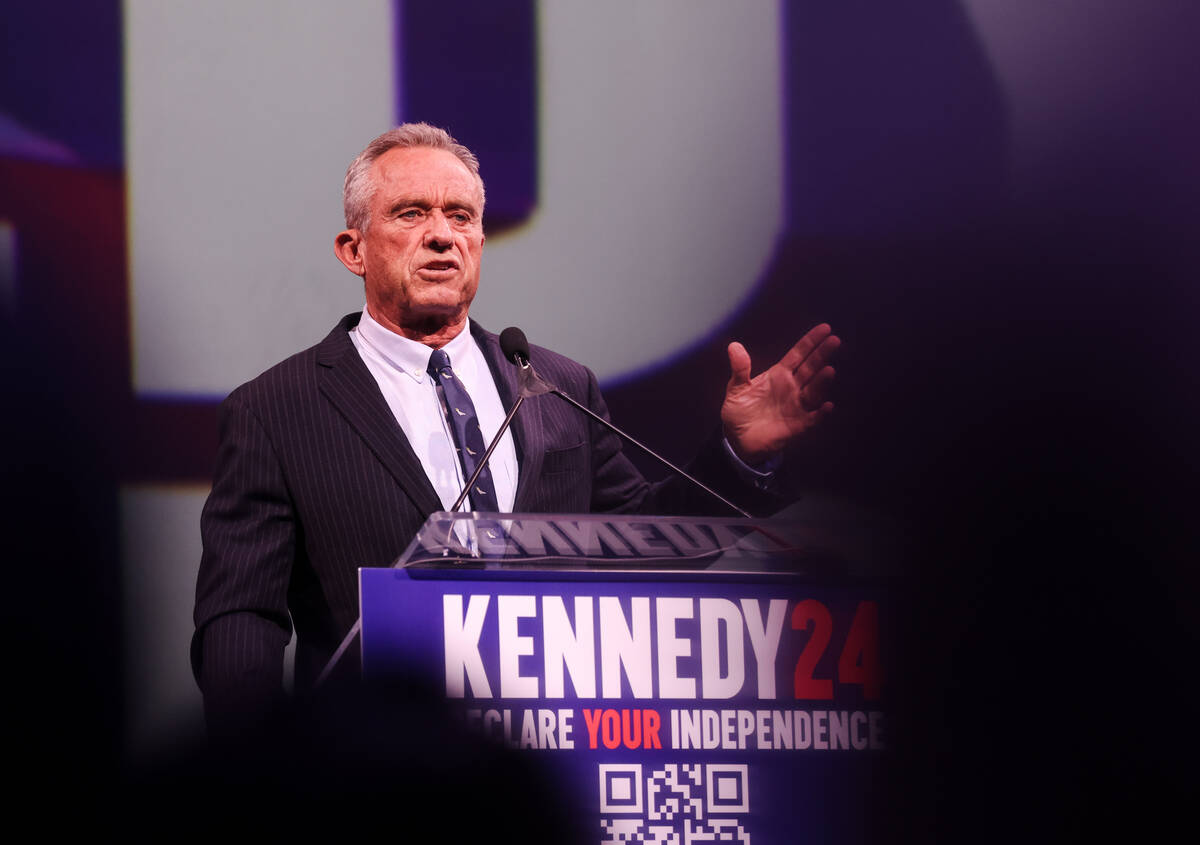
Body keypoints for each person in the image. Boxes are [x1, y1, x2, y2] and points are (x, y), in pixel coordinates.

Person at [192, 123, 839, 731]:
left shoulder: (558, 386)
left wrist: (739, 455)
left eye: (461, 216)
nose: (442, 235)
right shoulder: (277, 409)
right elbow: (241, 615)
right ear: (353, 249)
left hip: (555, 763)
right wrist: (263, 767)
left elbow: (647, 546)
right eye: (411, 213)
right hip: (374, 777)